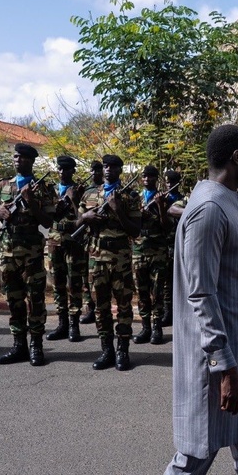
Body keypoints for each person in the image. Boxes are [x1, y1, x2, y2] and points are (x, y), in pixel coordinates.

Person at [154, 124, 238, 475]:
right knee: (194, 456)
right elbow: (201, 294)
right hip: (221, 366)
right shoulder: (209, 209)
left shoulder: (227, 199)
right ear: (237, 157)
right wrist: (225, 366)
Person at [0, 143, 55, 366]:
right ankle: (18, 346)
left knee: (35, 299)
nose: (16, 160)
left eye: (21, 157)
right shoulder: (4, 186)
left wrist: (32, 203)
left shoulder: (43, 189)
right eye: (15, 156)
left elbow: (48, 221)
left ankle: (36, 346)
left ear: (30, 161)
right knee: (13, 299)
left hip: (32, 252)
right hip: (7, 252)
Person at [76, 154, 141, 371]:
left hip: (120, 258)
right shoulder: (89, 194)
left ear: (120, 170)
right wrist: (86, 218)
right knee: (100, 307)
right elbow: (76, 221)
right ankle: (107, 350)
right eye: (105, 166)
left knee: (123, 306)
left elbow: (135, 230)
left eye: (113, 167)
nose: (108, 170)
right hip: (96, 258)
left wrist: (118, 210)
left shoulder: (130, 196)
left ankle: (122, 350)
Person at [45, 155, 87, 343]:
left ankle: (74, 325)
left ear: (73, 171)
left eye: (66, 169)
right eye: (60, 169)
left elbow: (83, 217)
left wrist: (74, 200)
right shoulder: (49, 190)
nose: (62, 172)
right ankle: (62, 323)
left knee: (74, 283)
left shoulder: (81, 190)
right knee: (58, 283)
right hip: (54, 240)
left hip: (73, 241)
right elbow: (46, 216)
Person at [133, 165, 170, 345]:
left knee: (157, 292)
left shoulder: (164, 198)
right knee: (142, 291)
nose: (147, 179)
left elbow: (166, 227)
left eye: (150, 176)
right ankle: (145, 326)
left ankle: (157, 327)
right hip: (139, 251)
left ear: (156, 179)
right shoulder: (134, 198)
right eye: (144, 176)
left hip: (157, 251)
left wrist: (161, 206)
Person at [79, 160, 104, 325]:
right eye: (92, 170)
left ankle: (99, 309)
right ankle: (90, 308)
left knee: (99, 280)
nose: (94, 173)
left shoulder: (107, 190)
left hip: (100, 242)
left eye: (97, 170)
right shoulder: (86, 192)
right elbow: (78, 218)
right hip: (86, 239)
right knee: (86, 278)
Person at [160, 169, 185, 327]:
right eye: (167, 182)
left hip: (180, 242)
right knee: (166, 282)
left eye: (172, 182)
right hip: (165, 243)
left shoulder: (184, 199)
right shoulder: (162, 198)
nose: (169, 185)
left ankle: (180, 312)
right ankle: (167, 312)